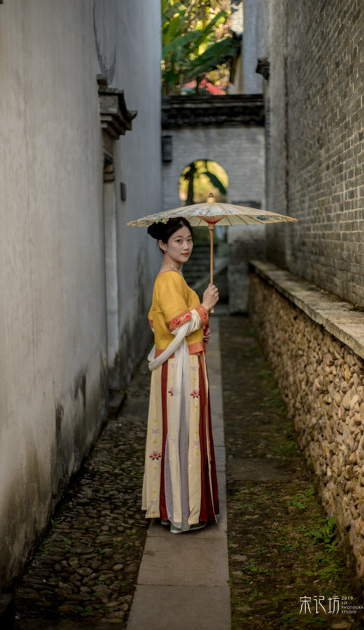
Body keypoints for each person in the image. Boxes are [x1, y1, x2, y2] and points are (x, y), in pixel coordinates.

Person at [142, 217, 220, 533]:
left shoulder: (174, 278)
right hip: (180, 369)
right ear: (163, 244)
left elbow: (161, 323)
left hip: (182, 362)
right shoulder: (169, 280)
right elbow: (176, 325)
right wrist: (205, 306)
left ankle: (176, 507)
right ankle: (183, 512)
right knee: (184, 432)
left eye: (189, 239)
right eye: (178, 240)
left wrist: (200, 327)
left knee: (182, 431)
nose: (186, 246)